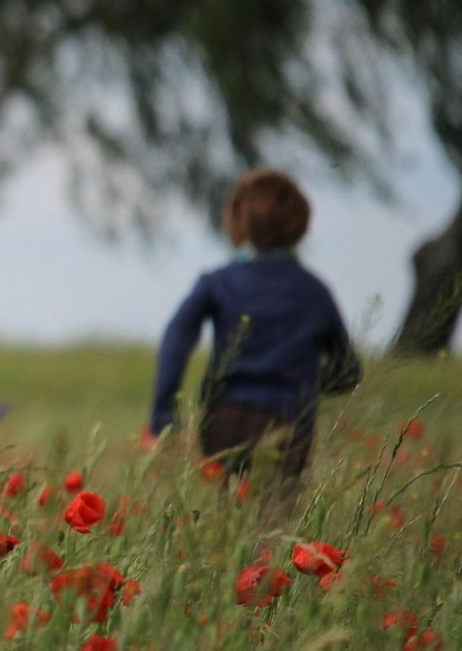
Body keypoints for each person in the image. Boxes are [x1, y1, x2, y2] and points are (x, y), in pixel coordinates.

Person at [146, 169, 361, 482]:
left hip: (224, 420)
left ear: (237, 222)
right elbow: (348, 371)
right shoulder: (315, 292)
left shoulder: (218, 283)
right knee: (274, 520)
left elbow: (176, 340)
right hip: (288, 422)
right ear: (299, 226)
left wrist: (163, 417)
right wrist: (305, 384)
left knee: (230, 513)